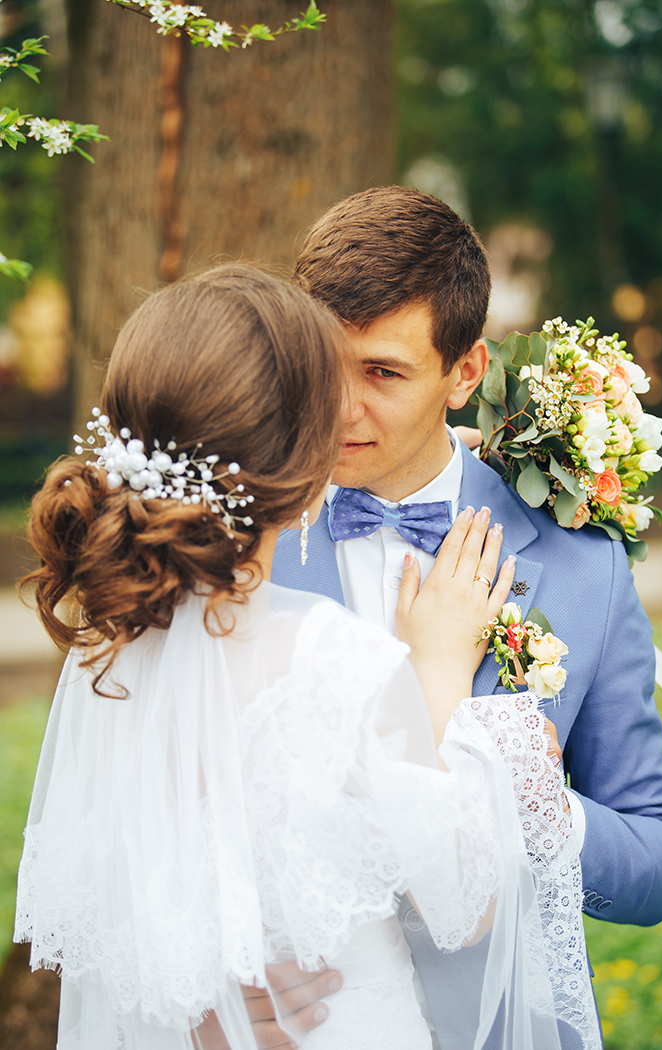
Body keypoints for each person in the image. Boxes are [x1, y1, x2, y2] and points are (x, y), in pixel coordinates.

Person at [14, 264, 599, 1050]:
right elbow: (466, 905)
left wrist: (211, 1004)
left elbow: (112, 918)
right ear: (304, 459)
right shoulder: (335, 661)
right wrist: (442, 671)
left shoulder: (104, 659)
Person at [267, 186, 662, 1048]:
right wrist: (218, 975)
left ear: (465, 372)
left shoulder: (580, 561)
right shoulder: (243, 537)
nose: (342, 407)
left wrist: (541, 807)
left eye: (383, 373)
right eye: (325, 365)